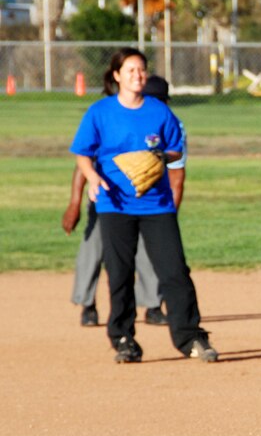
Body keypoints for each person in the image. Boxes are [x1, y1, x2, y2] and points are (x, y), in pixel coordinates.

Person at [69, 47, 218, 363]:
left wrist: (161, 157)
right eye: (131, 70)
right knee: (120, 273)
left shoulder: (159, 112)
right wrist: (93, 178)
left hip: (157, 204)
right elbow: (83, 153)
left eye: (141, 69)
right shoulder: (100, 112)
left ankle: (191, 337)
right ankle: (124, 339)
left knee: (175, 271)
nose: (138, 75)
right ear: (116, 75)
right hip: (114, 204)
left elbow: (176, 150)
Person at [61, 75, 187, 328]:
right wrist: (74, 203)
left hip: (149, 201)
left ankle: (152, 305)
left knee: (150, 251)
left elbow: (177, 176)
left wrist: (168, 217)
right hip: (108, 196)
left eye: (160, 101)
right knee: (94, 247)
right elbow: (85, 162)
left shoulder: (169, 123)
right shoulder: (112, 116)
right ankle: (87, 303)